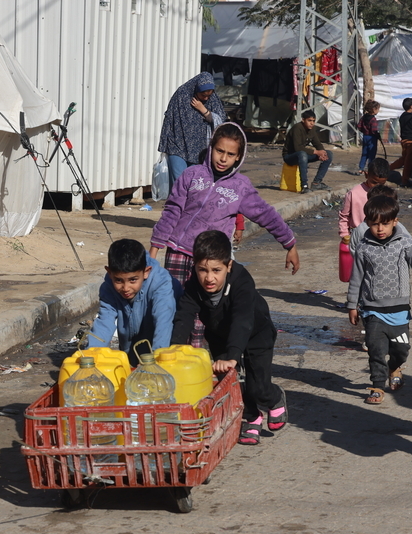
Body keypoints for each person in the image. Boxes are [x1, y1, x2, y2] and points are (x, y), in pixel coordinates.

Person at [150, 122, 300, 346]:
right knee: (174, 308)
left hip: (212, 259)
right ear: (211, 148)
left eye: (231, 154)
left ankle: (198, 360)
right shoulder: (191, 175)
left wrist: (289, 244)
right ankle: (171, 357)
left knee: (203, 314)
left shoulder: (241, 187)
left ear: (238, 157)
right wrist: (154, 250)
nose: (223, 158)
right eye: (220, 151)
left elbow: (265, 214)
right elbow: (172, 210)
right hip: (178, 252)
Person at [172, 230, 287, 445]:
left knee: (257, 387)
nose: (209, 278)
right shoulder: (193, 286)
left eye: (216, 270)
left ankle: (273, 397)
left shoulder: (242, 281)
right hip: (219, 335)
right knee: (229, 381)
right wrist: (173, 351)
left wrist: (233, 355)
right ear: (194, 267)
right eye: (202, 270)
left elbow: (242, 320)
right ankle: (252, 418)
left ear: (229, 266)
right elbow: (183, 318)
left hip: (255, 332)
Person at [347, 195, 412, 405]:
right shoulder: (363, 247)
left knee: (401, 350)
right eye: (375, 223)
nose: (380, 229)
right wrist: (352, 305)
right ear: (367, 222)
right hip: (372, 310)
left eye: (385, 224)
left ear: (395, 221)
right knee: (376, 350)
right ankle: (377, 386)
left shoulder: (405, 243)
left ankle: (394, 367)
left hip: (400, 310)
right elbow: (356, 278)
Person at [87, 238, 180, 354]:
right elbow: (104, 322)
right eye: (118, 280)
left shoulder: (161, 283)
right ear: (110, 273)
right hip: (131, 344)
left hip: (168, 340)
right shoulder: (108, 288)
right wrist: (91, 354)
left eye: (133, 280)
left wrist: (159, 356)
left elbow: (163, 320)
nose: (126, 288)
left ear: (146, 272)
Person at [158, 72, 226, 186]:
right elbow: (169, 119)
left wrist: (203, 109)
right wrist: (164, 144)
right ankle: (178, 204)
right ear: (196, 89)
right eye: (203, 95)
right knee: (179, 183)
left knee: (195, 185)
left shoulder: (213, 100)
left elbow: (220, 122)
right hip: (177, 146)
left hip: (200, 149)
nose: (206, 98)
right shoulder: (181, 95)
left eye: (209, 95)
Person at [338, 158, 390, 247]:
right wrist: (345, 234)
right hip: (359, 237)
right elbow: (344, 216)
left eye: (381, 184)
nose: (377, 187)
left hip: (381, 235)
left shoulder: (386, 194)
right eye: (374, 182)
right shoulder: (353, 193)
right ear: (366, 175)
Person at [282, 109, 333, 193]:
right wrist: (316, 152)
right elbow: (297, 148)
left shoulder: (312, 129)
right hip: (290, 156)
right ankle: (304, 186)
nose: (312, 123)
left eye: (313, 121)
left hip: (303, 156)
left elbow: (317, 143)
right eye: (309, 121)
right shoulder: (297, 128)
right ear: (303, 120)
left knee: (329, 154)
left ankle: (317, 183)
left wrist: (322, 153)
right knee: (302, 154)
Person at [389, 98, 412, 188]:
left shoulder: (402, 116)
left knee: (404, 159)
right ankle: (405, 180)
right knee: (408, 161)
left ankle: (388, 168)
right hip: (411, 141)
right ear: (411, 106)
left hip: (404, 140)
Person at [356, 100, 382, 175]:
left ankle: (361, 169)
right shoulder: (373, 119)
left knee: (364, 153)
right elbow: (374, 130)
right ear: (374, 109)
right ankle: (370, 169)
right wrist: (377, 135)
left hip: (365, 137)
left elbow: (359, 126)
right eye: (377, 109)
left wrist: (364, 131)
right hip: (371, 138)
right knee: (371, 154)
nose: (378, 111)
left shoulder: (363, 117)